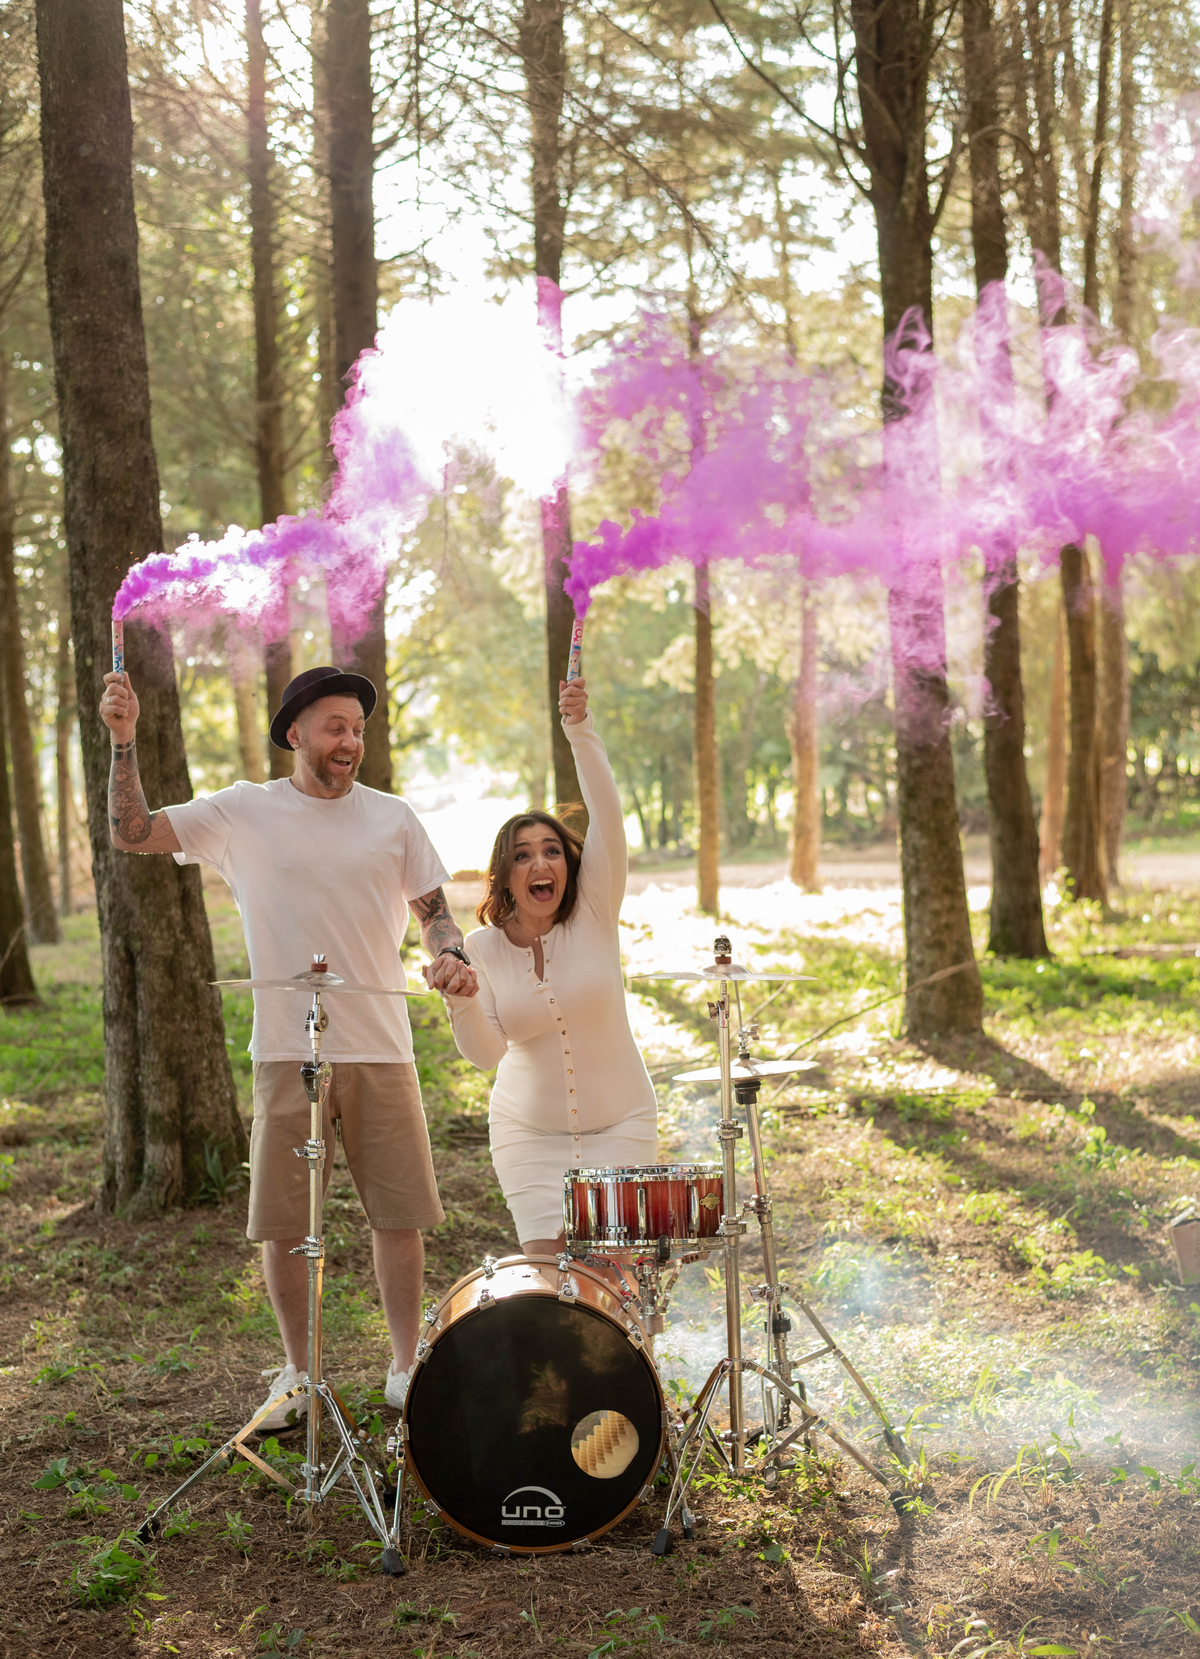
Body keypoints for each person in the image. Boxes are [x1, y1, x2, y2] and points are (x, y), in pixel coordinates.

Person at [99, 662, 478, 1429]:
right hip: (285, 1049)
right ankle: (299, 1376)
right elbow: (131, 831)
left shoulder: (394, 817)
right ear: (296, 732)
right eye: (336, 726)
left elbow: (436, 912)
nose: (351, 741)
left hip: (381, 1047)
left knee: (398, 1215)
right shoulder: (243, 811)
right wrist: (124, 741)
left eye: (359, 729)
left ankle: (404, 1365)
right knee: (283, 1222)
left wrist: (452, 953)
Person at [436, 675, 656, 1256]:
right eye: (524, 854)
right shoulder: (480, 949)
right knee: (549, 1292)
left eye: (553, 850)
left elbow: (608, 818)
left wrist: (579, 730)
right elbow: (486, 1054)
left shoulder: (595, 912)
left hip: (623, 1125)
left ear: (569, 863)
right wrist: (459, 999)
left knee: (616, 1285)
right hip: (527, 1135)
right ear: (506, 875)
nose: (542, 862)